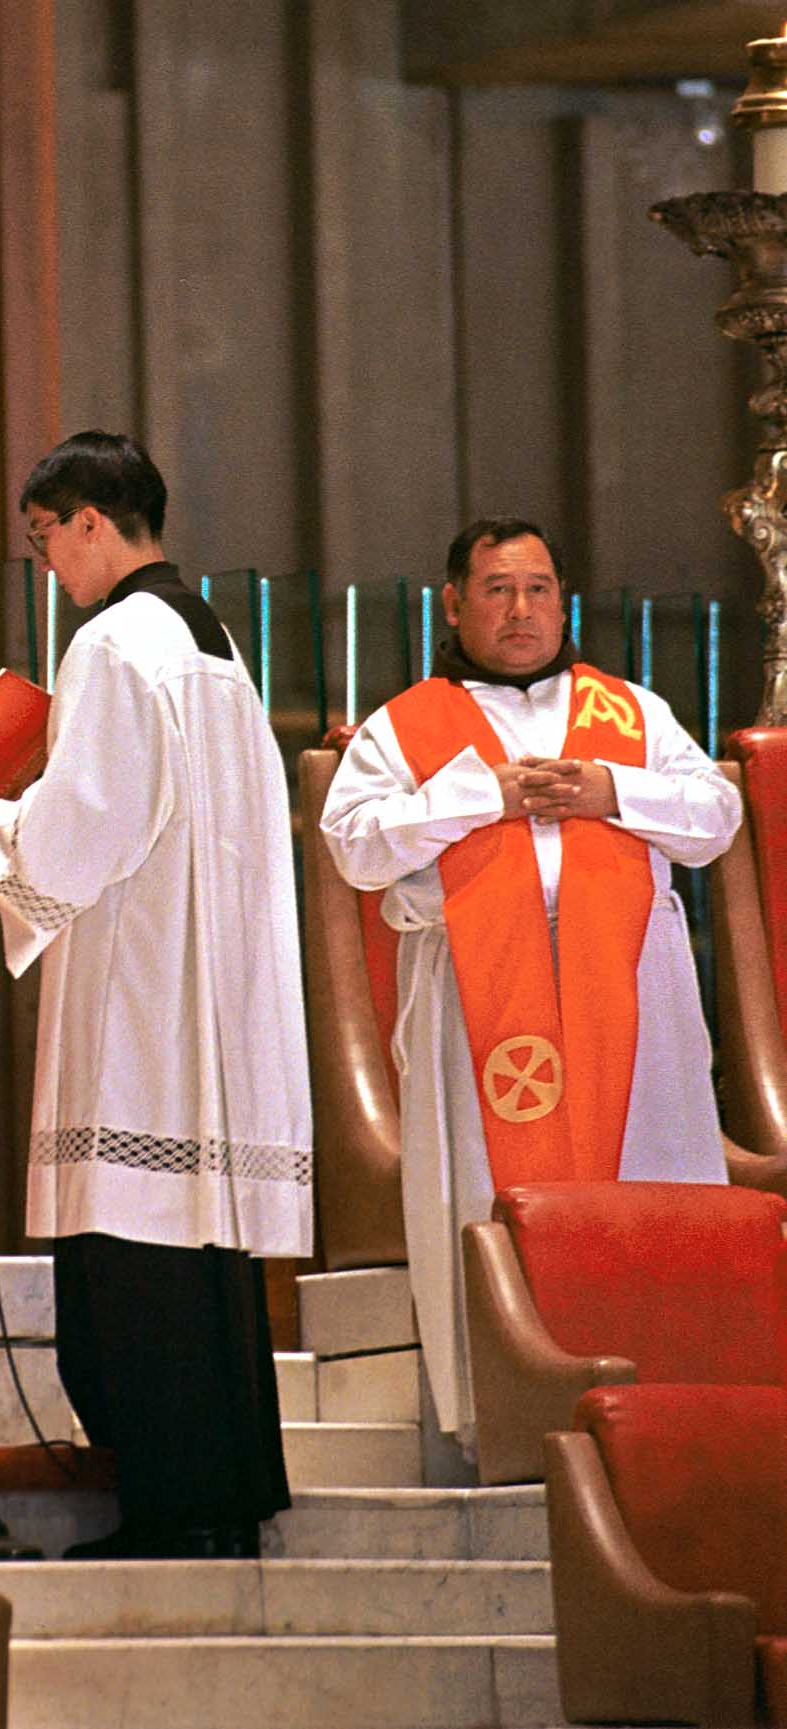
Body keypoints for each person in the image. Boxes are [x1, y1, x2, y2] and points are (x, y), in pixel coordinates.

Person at [0, 431, 313, 1558]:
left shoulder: (110, 644)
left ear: (90, 522)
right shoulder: (213, 643)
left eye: (45, 537)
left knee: (133, 1264)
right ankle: (225, 1502)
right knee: (202, 1266)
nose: (47, 561)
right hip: (211, 1002)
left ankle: (164, 1512)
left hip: (143, 1008)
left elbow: (81, 837)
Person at [320, 518, 741, 1446]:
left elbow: (717, 817)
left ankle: (666, 1415)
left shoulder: (628, 714)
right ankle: (505, 1425)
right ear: (452, 604)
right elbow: (353, 846)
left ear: (563, 602)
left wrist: (610, 792)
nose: (520, 609)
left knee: (644, 1186)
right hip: (475, 995)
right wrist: (484, 795)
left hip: (629, 993)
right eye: (498, 589)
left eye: (538, 588)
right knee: (488, 1193)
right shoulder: (405, 724)